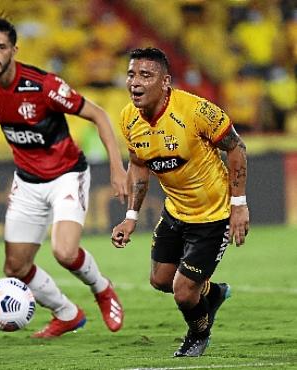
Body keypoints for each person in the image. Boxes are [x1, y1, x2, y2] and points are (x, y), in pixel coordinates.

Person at [0, 17, 128, 338]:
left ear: (14, 50)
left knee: (65, 252)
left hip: (67, 175)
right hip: (27, 182)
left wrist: (117, 168)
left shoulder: (44, 86)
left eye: (1, 47)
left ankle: (102, 288)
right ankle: (66, 313)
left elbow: (97, 113)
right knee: (15, 268)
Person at [111, 48, 249, 357]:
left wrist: (239, 204)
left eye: (146, 75)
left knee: (184, 293)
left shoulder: (196, 111)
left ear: (165, 82)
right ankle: (213, 294)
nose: (135, 82)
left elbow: (237, 148)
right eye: (131, 74)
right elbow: (139, 164)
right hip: (175, 212)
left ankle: (198, 334)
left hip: (213, 216)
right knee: (160, 280)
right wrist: (131, 215)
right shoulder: (128, 118)